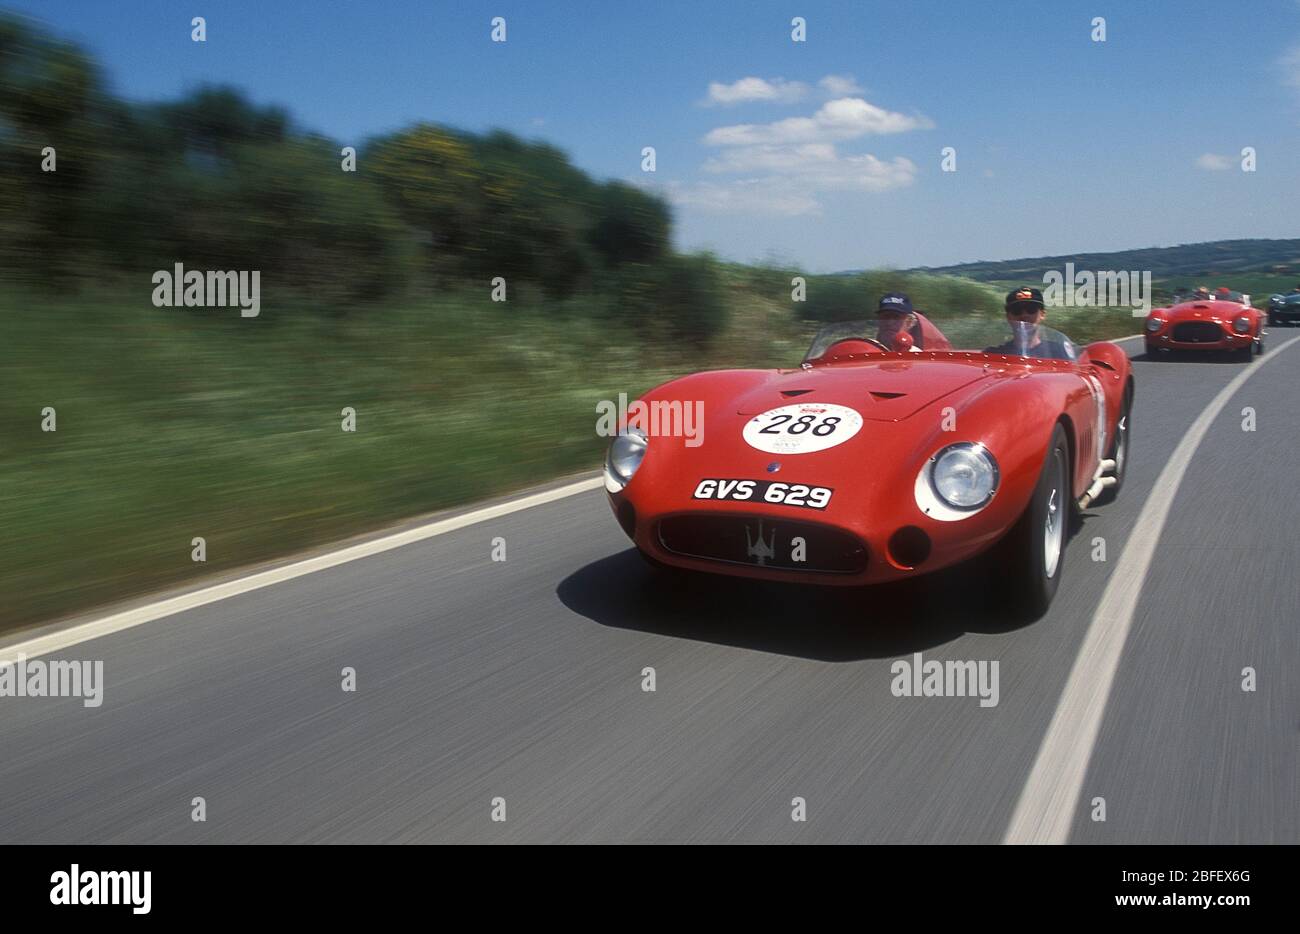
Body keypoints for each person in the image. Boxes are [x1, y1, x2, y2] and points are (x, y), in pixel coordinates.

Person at [985, 287, 1075, 360]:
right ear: (1008, 316)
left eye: (1031, 310)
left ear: (1042, 315)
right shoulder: (993, 355)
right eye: (1017, 311)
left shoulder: (1059, 353)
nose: (1024, 315)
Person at [874, 292, 951, 351]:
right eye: (885, 317)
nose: (889, 323)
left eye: (896, 317)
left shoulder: (918, 357)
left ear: (909, 322)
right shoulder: (868, 349)